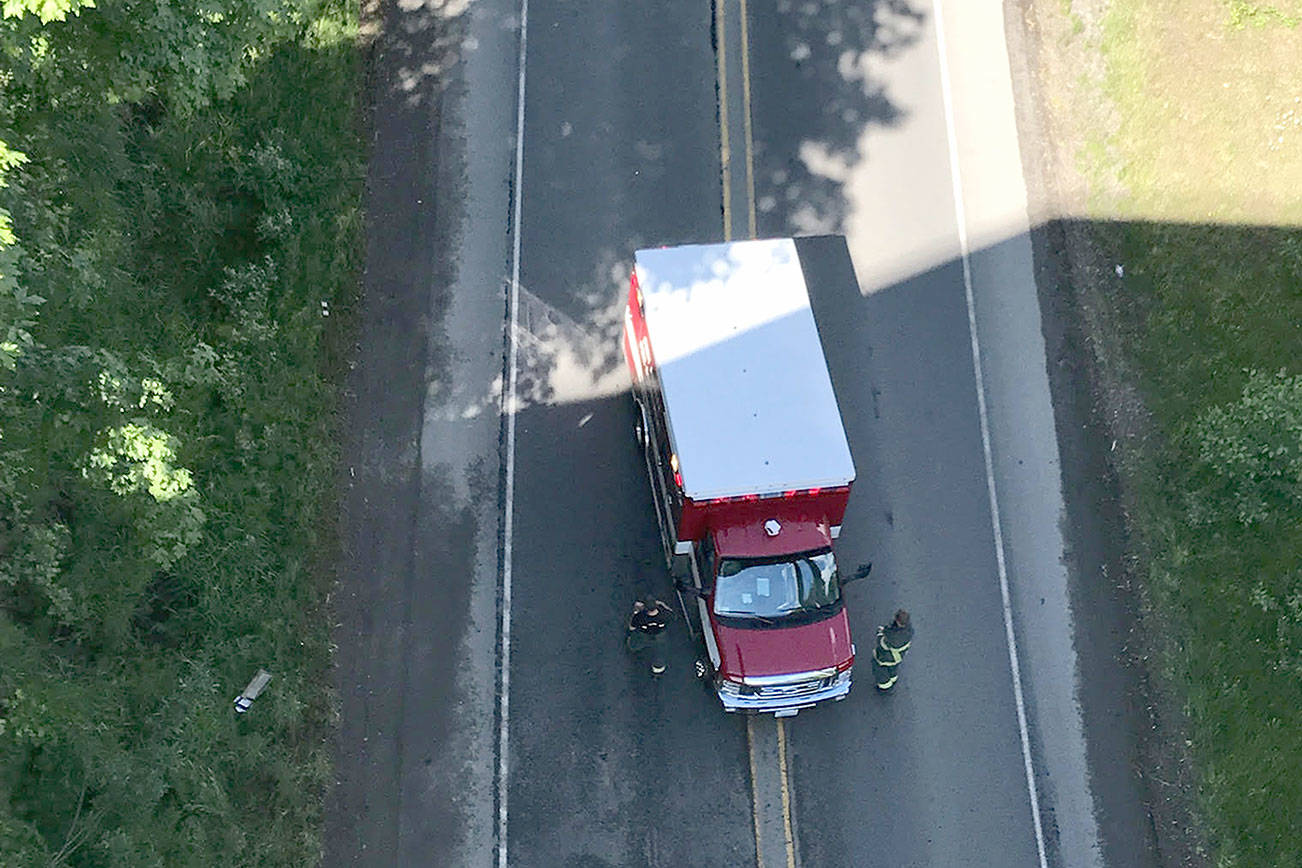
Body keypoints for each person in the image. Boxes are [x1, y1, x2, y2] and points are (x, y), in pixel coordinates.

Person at [627, 598, 672, 675]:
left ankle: (634, 647)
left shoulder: (640, 616)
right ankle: (658, 669)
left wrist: (636, 611)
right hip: (660, 634)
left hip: (644, 634)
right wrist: (662, 604)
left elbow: (632, 627)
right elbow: (671, 614)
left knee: (636, 642)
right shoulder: (665, 614)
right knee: (659, 650)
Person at [871, 609, 913, 692]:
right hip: (899, 656)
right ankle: (893, 678)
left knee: (880, 669)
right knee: (893, 668)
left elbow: (883, 644)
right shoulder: (909, 629)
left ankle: (885, 686)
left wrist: (880, 634)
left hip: (887, 657)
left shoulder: (894, 636)